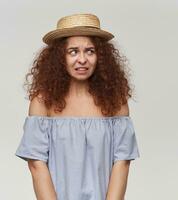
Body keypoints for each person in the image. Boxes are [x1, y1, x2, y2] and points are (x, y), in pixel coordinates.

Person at [15, 13, 140, 200]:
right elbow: (36, 164)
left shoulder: (115, 101)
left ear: (101, 57)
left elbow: (122, 162)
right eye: (73, 51)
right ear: (60, 57)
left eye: (90, 51)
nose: (82, 59)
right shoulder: (42, 102)